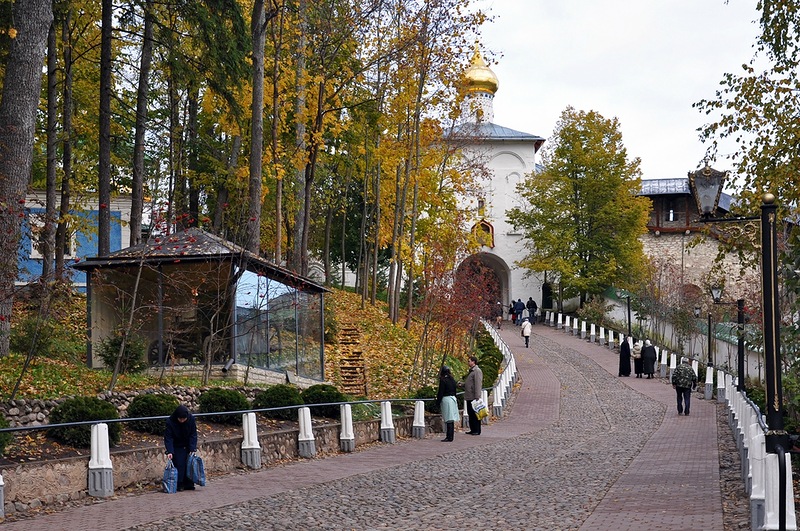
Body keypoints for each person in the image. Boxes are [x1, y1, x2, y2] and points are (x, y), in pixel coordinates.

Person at [164, 404, 198, 491]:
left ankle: (189, 483)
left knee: (189, 463)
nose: (182, 421)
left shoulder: (191, 420)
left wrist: (192, 448)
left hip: (187, 444)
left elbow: (193, 434)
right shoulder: (170, 422)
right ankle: (180, 483)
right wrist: (170, 451)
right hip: (177, 445)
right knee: (179, 464)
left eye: (184, 419)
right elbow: (168, 437)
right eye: (180, 419)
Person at [435, 366, 459, 442]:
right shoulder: (452, 379)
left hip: (446, 399)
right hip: (453, 399)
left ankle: (449, 436)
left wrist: (437, 402)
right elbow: (455, 390)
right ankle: (450, 436)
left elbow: (441, 392)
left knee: (448, 419)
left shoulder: (443, 380)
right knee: (451, 419)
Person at [462, 355, 484, 435]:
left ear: (473, 362)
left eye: (469, 361)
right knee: (470, 413)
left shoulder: (477, 371)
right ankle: (472, 429)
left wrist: (477, 396)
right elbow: (470, 383)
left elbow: (478, 384)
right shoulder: (471, 371)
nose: (468, 362)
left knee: (475, 414)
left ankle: (476, 430)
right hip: (469, 396)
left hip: (473, 397)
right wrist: (463, 384)